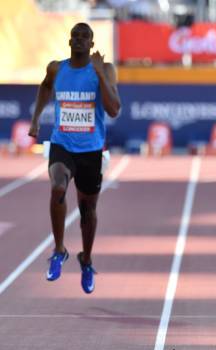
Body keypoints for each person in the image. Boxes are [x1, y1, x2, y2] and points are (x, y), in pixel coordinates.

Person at [28, 22, 121, 294]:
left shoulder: (104, 69)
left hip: (91, 150)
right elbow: (45, 87)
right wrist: (35, 120)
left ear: (92, 44)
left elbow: (114, 109)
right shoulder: (57, 68)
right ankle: (58, 250)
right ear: (69, 42)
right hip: (62, 144)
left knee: (87, 212)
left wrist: (100, 73)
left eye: (85, 37)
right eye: (75, 36)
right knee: (57, 187)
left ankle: (87, 259)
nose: (79, 40)